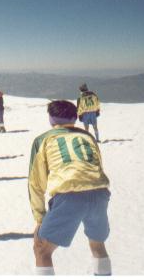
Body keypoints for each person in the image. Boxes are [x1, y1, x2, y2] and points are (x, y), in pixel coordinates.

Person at [28, 100, 111, 276]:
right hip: (100, 191)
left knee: (42, 249)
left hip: (69, 193)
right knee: (97, 245)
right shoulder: (87, 137)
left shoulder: (43, 139)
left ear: (51, 119)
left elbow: (35, 183)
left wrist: (39, 218)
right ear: (74, 118)